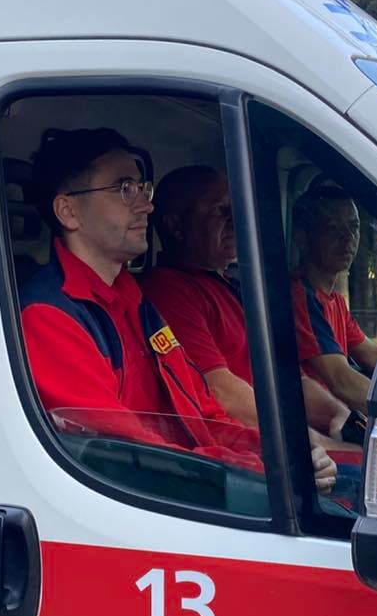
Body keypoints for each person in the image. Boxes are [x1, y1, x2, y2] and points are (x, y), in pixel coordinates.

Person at [19, 128, 266, 473]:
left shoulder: (137, 302)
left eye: (142, 188)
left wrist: (275, 453)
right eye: (124, 189)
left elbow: (202, 412)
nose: (147, 205)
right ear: (68, 211)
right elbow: (126, 453)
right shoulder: (49, 317)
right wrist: (250, 469)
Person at [142, 165, 349, 461]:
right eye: (221, 211)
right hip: (248, 455)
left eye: (237, 210)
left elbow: (287, 377)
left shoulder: (233, 286)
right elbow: (222, 392)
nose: (236, 221)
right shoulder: (168, 291)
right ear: (176, 226)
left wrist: (338, 415)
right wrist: (317, 444)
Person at [290, 184, 377, 416]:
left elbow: (372, 355)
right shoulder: (299, 297)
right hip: (319, 423)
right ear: (302, 237)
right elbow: (341, 381)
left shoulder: (335, 302)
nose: (348, 238)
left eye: (354, 227)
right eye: (333, 228)